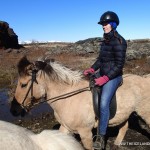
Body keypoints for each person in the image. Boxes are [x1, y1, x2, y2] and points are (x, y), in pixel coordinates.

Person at [84, 11, 127, 149]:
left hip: (113, 76)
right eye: (102, 24)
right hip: (102, 73)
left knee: (103, 103)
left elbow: (119, 64)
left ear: (113, 24)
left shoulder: (119, 41)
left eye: (105, 23)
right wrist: (92, 69)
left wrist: (106, 78)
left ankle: (101, 137)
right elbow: (100, 60)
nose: (103, 26)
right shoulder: (105, 40)